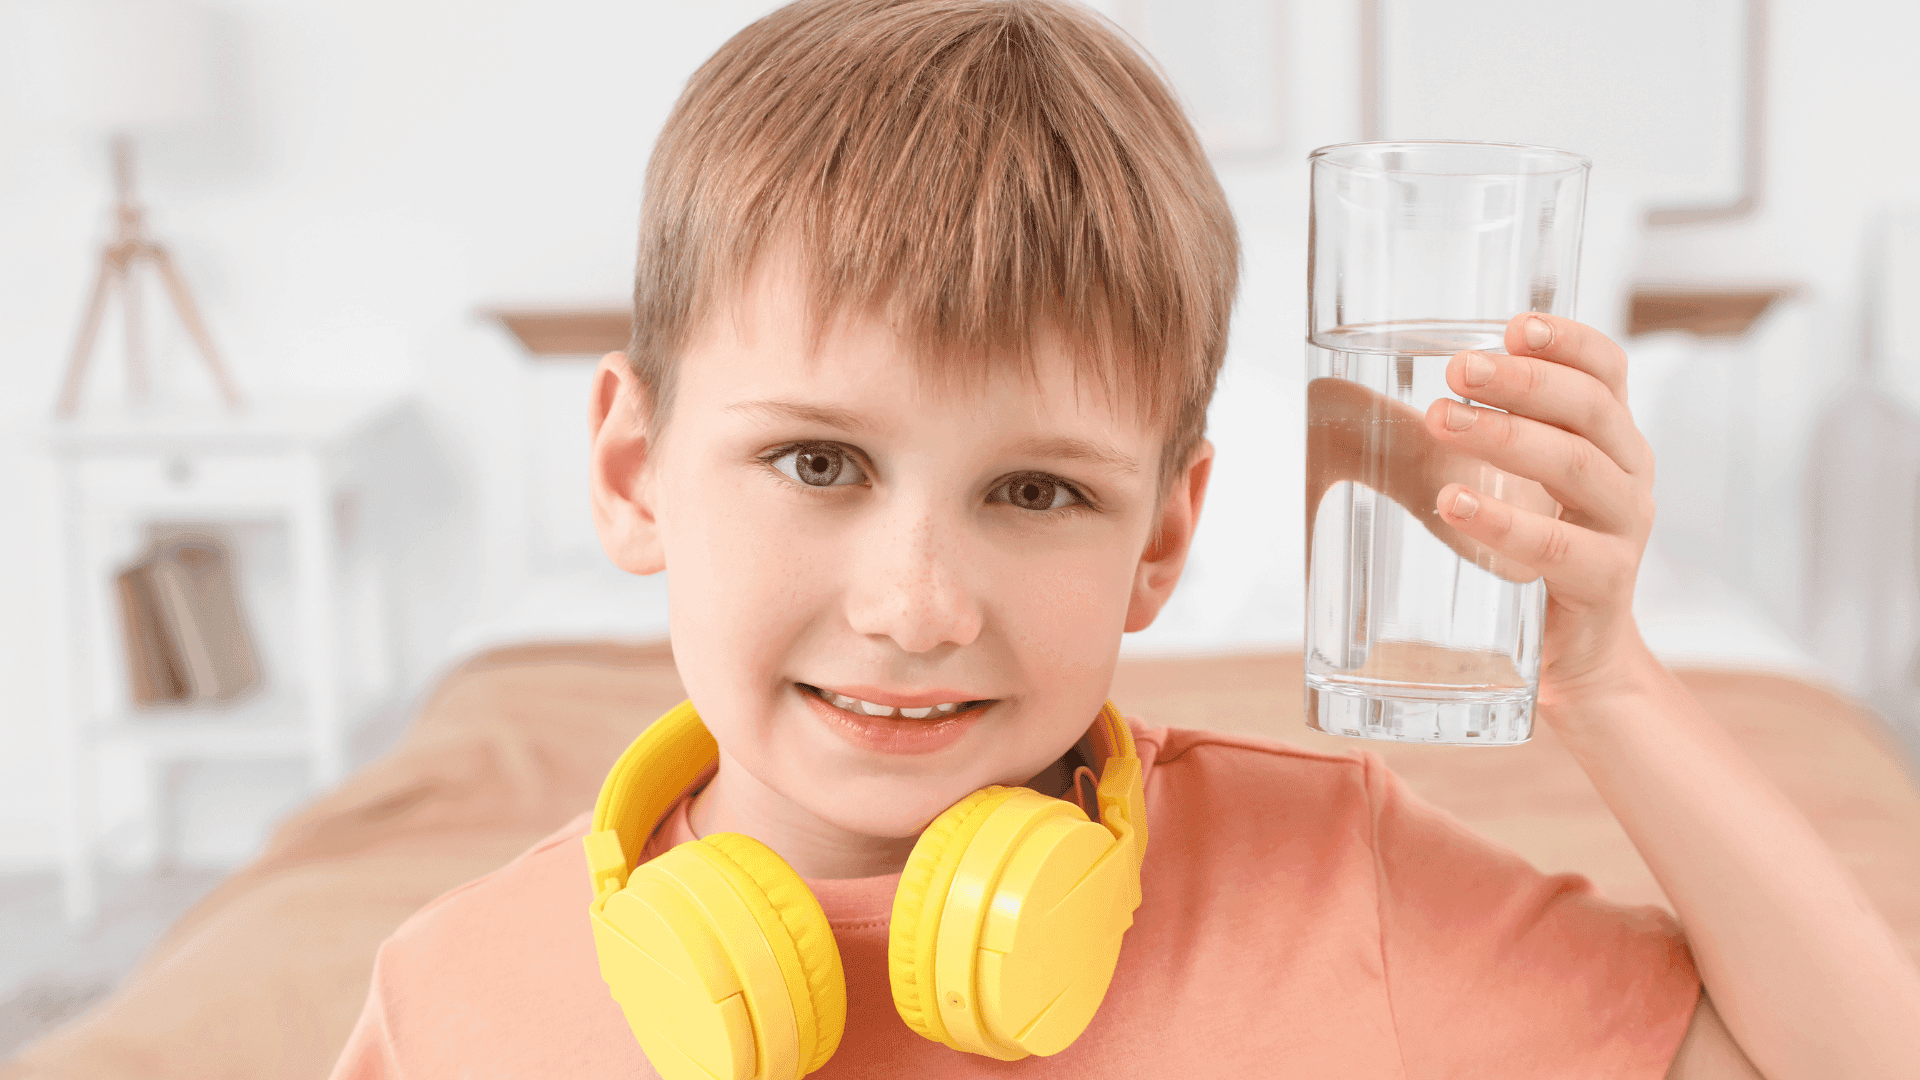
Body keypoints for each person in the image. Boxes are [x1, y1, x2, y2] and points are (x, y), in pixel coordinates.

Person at [328, 2, 1920, 1077]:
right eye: (817, 460)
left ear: (1164, 539)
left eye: (1037, 492)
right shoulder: (458, 996)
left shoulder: (1335, 882)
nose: (917, 605)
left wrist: (1611, 682)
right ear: (631, 469)